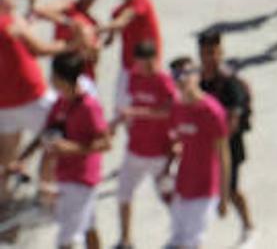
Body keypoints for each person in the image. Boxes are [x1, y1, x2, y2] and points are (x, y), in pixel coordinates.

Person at [28, 52, 109, 249]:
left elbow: (105, 143)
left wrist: (71, 147)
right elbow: (46, 131)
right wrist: (23, 159)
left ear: (63, 79)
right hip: (65, 174)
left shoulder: (89, 107)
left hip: (81, 178)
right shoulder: (61, 102)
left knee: (67, 238)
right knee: (88, 226)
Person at [114, 39, 175, 248]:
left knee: (168, 197)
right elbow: (130, 105)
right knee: (123, 193)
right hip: (135, 149)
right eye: (140, 63)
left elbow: (169, 111)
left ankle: (183, 236)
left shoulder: (164, 81)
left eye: (148, 64)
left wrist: (137, 113)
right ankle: (125, 239)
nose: (144, 68)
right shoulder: (134, 77)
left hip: (158, 152)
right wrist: (116, 123)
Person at [1, 0, 63, 195]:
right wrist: (71, 44)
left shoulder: (11, 23)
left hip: (5, 104)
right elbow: (41, 49)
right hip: (32, 98)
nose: (14, 0)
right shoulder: (9, 24)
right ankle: (48, 194)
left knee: (6, 159)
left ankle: (3, 202)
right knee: (60, 137)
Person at [197, 32, 255, 245]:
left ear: (220, 52)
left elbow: (233, 120)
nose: (208, 58)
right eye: (204, 53)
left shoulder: (230, 83)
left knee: (231, 189)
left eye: (212, 52)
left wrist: (216, 142)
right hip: (206, 148)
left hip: (230, 147)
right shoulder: (199, 81)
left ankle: (249, 227)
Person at [165, 55, 229, 249]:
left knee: (192, 243)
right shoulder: (177, 107)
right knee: (176, 240)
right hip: (183, 185)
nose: (182, 80)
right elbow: (177, 141)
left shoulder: (212, 111)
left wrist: (224, 197)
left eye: (187, 74)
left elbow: (224, 155)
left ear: (198, 76)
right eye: (176, 75)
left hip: (205, 188)